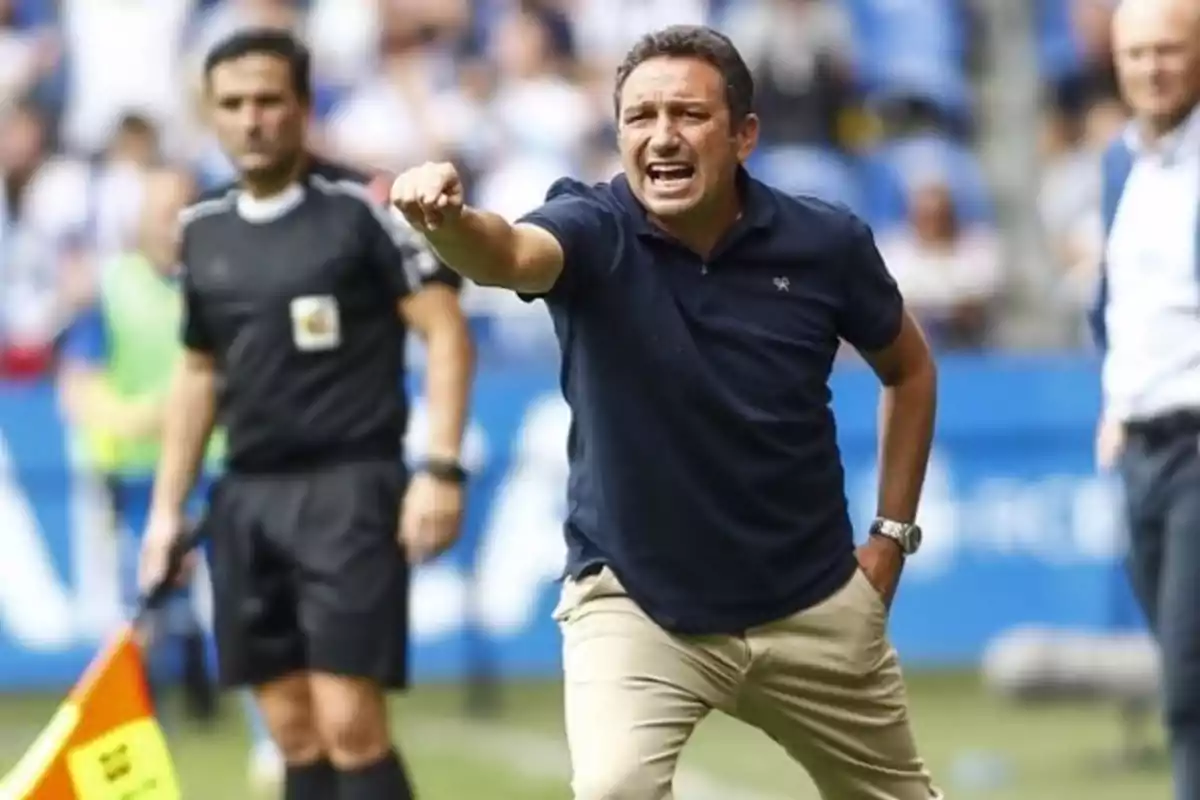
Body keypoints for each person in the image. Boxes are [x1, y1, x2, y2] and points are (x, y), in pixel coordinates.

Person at [393, 23, 941, 800]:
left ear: (744, 135)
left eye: (687, 114)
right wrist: (447, 223)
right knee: (615, 789)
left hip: (810, 600)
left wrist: (890, 538)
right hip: (637, 601)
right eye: (640, 118)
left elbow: (910, 368)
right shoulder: (590, 227)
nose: (662, 137)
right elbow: (508, 253)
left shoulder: (826, 242)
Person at [137, 29, 474, 800]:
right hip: (245, 497)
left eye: (268, 100)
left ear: (301, 106)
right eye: (232, 103)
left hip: (350, 488)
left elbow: (446, 332)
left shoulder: (364, 208)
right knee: (290, 726)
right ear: (211, 115)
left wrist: (441, 468)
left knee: (349, 718)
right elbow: (198, 372)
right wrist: (166, 511)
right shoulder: (202, 229)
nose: (251, 118)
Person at [58, 165, 220, 721]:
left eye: (179, 208)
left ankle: (274, 744)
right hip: (137, 476)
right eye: (158, 210)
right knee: (137, 614)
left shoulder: (223, 275)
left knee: (239, 606)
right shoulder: (113, 287)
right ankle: (126, 730)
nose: (169, 223)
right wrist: (138, 420)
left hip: (218, 465)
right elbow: (77, 387)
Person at [1091, 1, 1200, 797]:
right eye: (1137, 54)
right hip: (1142, 449)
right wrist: (1115, 402)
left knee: (1191, 682)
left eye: (1169, 50)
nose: (1151, 68)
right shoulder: (1119, 163)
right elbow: (1119, 299)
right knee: (1178, 657)